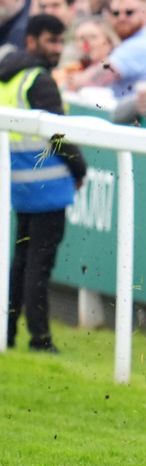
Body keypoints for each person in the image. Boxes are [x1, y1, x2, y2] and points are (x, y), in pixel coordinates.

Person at [1, 15, 87, 352]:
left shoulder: (9, 76)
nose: (57, 49)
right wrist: (80, 169)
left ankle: (6, 332)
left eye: (60, 42)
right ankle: (40, 338)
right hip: (48, 185)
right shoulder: (38, 79)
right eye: (51, 41)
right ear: (32, 40)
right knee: (38, 264)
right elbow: (60, 136)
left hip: (19, 184)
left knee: (20, 263)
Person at [67, 0, 146, 98]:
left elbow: (87, 81)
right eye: (116, 13)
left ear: (145, 12)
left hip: (133, 115)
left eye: (129, 12)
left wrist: (70, 81)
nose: (121, 18)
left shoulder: (138, 45)